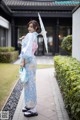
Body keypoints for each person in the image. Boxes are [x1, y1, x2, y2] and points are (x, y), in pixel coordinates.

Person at [19, 20, 39, 117]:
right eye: (29, 26)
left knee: (30, 85)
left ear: (36, 28)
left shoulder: (31, 35)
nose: (29, 28)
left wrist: (23, 61)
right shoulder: (32, 35)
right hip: (31, 62)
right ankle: (29, 105)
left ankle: (33, 109)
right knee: (29, 84)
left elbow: (27, 51)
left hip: (28, 61)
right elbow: (29, 47)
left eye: (31, 27)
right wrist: (24, 38)